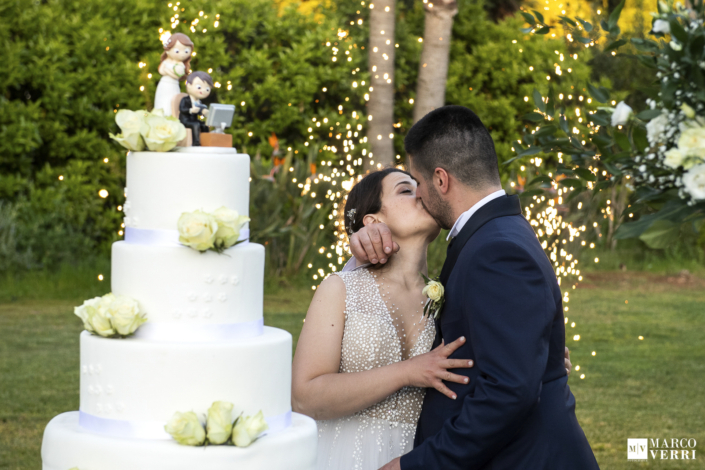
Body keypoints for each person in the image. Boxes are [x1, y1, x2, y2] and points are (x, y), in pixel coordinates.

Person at [346, 106, 598, 470]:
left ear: (441, 180)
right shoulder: (495, 235)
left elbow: (509, 392)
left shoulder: (496, 250)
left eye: (417, 183)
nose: (417, 195)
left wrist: (415, 466)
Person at [292, 168, 574, 469]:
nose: (421, 192)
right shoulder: (340, 288)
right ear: (373, 222)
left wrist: (536, 357)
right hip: (343, 454)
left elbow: (493, 372)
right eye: (405, 189)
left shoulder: (449, 296)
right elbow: (304, 399)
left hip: (421, 457)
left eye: (420, 185)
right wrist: (409, 372)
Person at [154, 33, 193, 116]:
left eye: (186, 51)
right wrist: (168, 71)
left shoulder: (181, 65)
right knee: (161, 101)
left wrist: (167, 71)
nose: (182, 54)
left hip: (173, 85)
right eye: (177, 51)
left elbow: (177, 76)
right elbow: (161, 70)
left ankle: (170, 117)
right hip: (163, 84)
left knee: (171, 102)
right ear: (168, 50)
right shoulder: (166, 61)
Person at [178, 71, 212, 146]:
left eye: (207, 89)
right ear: (189, 86)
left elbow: (199, 111)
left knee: (204, 125)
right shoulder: (185, 100)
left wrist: (203, 112)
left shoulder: (199, 101)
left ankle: (206, 141)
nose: (203, 91)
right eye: (199, 87)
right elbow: (182, 109)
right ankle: (196, 143)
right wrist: (191, 110)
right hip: (185, 120)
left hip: (194, 120)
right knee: (195, 125)